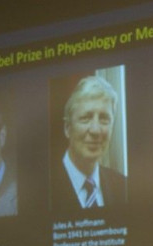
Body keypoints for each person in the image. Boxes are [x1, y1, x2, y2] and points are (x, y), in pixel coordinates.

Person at [52, 76, 127, 210]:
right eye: (85, 118)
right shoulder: (44, 187)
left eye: (104, 119)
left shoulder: (124, 187)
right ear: (67, 128)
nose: (95, 130)